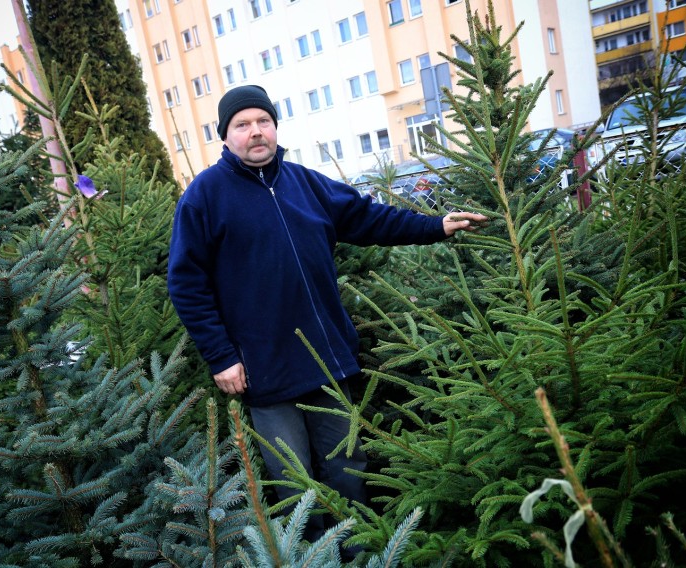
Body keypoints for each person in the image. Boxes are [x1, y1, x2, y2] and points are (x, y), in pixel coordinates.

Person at [167, 84, 487, 544]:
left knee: (348, 465)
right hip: (266, 369)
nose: (255, 132)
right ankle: (315, 556)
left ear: (275, 127)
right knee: (294, 481)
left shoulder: (304, 183)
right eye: (243, 125)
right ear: (226, 135)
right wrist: (220, 356)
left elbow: (372, 219)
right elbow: (186, 282)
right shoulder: (204, 197)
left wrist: (435, 225)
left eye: (263, 121)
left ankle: (361, 549)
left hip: (327, 360)